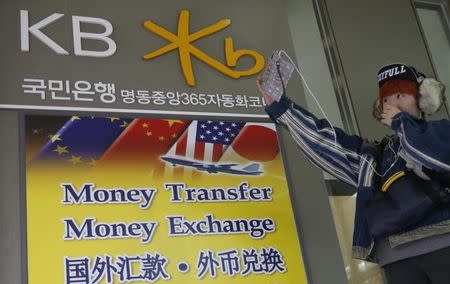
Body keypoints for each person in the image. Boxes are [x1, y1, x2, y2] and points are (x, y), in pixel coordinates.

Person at [256, 63, 450, 283]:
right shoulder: (374, 155)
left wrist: (400, 123)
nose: (393, 104)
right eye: (386, 99)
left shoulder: (441, 131)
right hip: (394, 257)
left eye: (401, 95)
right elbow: (325, 144)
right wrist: (280, 106)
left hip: (444, 241)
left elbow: (432, 152)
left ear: (424, 100)